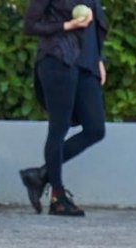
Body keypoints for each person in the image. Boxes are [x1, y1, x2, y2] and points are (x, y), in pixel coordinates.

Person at [20, 0, 108, 217]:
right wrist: (66, 26)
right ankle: (57, 198)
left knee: (95, 129)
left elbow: (92, 28)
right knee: (58, 128)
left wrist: (99, 59)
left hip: (86, 64)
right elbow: (30, 25)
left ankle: (41, 175)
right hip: (58, 59)